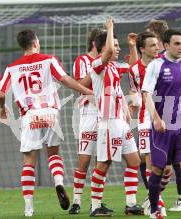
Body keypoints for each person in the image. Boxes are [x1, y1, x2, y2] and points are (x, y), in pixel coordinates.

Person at [0, 29, 93, 217]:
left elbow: (1, 94)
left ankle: (29, 208)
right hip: (49, 113)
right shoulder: (48, 59)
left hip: (29, 115)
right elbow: (64, 79)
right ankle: (58, 183)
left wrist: (2, 108)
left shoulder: (12, 67)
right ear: (36, 42)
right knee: (54, 153)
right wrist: (85, 91)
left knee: (29, 160)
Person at [142, 29, 181, 219]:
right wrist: (155, 118)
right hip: (162, 126)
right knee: (158, 170)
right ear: (166, 45)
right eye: (177, 43)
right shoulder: (156, 66)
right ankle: (154, 210)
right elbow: (146, 93)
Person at [84, 18, 143, 217]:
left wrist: (133, 46)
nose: (117, 49)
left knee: (134, 161)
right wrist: (110, 29)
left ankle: (131, 204)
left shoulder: (113, 67)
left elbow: (134, 66)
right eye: (115, 45)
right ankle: (95, 206)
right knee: (104, 163)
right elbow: (108, 52)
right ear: (103, 47)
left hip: (121, 123)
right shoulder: (97, 65)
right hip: (108, 122)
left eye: (118, 45)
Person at [145, 19, 181, 212]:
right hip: (157, 114)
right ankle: (156, 199)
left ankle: (166, 200)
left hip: (161, 115)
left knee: (162, 163)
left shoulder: (162, 62)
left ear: (159, 39)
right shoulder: (156, 61)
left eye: (151, 36)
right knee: (163, 163)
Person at [128, 31, 168, 216]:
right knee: (150, 161)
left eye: (157, 44)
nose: (157, 48)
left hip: (168, 116)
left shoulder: (165, 63)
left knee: (167, 166)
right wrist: (132, 103)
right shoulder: (134, 70)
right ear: (142, 49)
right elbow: (134, 91)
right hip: (146, 119)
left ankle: (153, 197)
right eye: (152, 45)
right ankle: (157, 205)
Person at [69, 28, 104, 215]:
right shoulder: (82, 61)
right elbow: (79, 86)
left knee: (103, 158)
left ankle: (96, 202)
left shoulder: (110, 61)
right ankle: (76, 201)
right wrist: (95, 69)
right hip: (89, 111)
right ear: (95, 43)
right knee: (85, 157)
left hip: (106, 113)